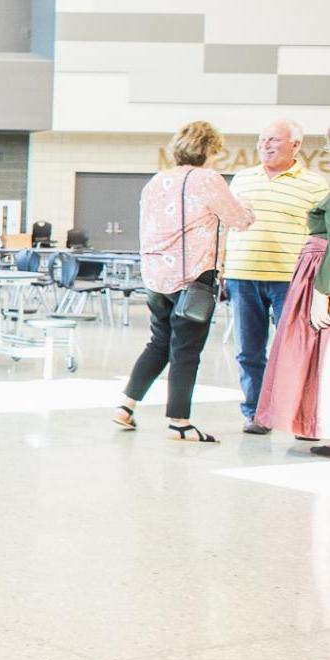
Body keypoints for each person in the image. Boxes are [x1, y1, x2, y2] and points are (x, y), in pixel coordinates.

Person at [114, 121, 255, 443]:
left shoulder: (156, 180)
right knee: (186, 349)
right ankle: (179, 422)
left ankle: (126, 405)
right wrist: (246, 202)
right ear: (208, 148)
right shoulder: (207, 179)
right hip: (192, 278)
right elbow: (240, 220)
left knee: (159, 342)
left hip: (156, 277)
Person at [222, 121, 328, 434]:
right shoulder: (242, 178)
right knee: (249, 351)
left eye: (274, 140)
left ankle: (298, 417)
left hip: (290, 281)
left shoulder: (315, 184)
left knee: (297, 352)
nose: (266, 145)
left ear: (296, 145)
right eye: (262, 139)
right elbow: (229, 224)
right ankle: (256, 413)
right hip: (243, 276)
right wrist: (223, 269)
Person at [254, 147, 330, 444]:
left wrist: (321, 292)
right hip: (314, 269)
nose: (326, 151)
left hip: (320, 272)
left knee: (319, 356)